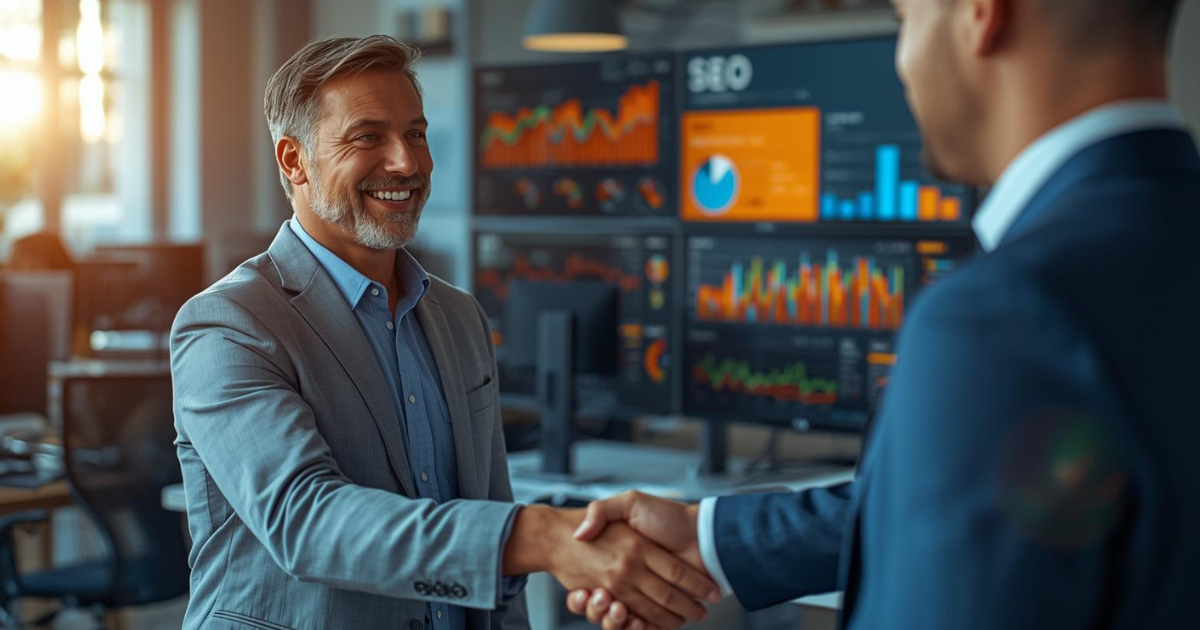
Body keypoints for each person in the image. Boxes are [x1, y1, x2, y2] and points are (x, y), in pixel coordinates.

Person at [568, 0, 1199, 627]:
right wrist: (712, 538)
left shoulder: (1000, 314)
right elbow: (1035, 504)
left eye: (904, 20)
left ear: (981, 15)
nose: (902, 63)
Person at [171, 36, 718, 630]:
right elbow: (307, 523)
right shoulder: (229, 323)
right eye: (367, 137)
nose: (406, 163)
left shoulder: (459, 317)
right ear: (293, 161)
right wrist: (544, 536)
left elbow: (491, 519)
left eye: (415, 134)